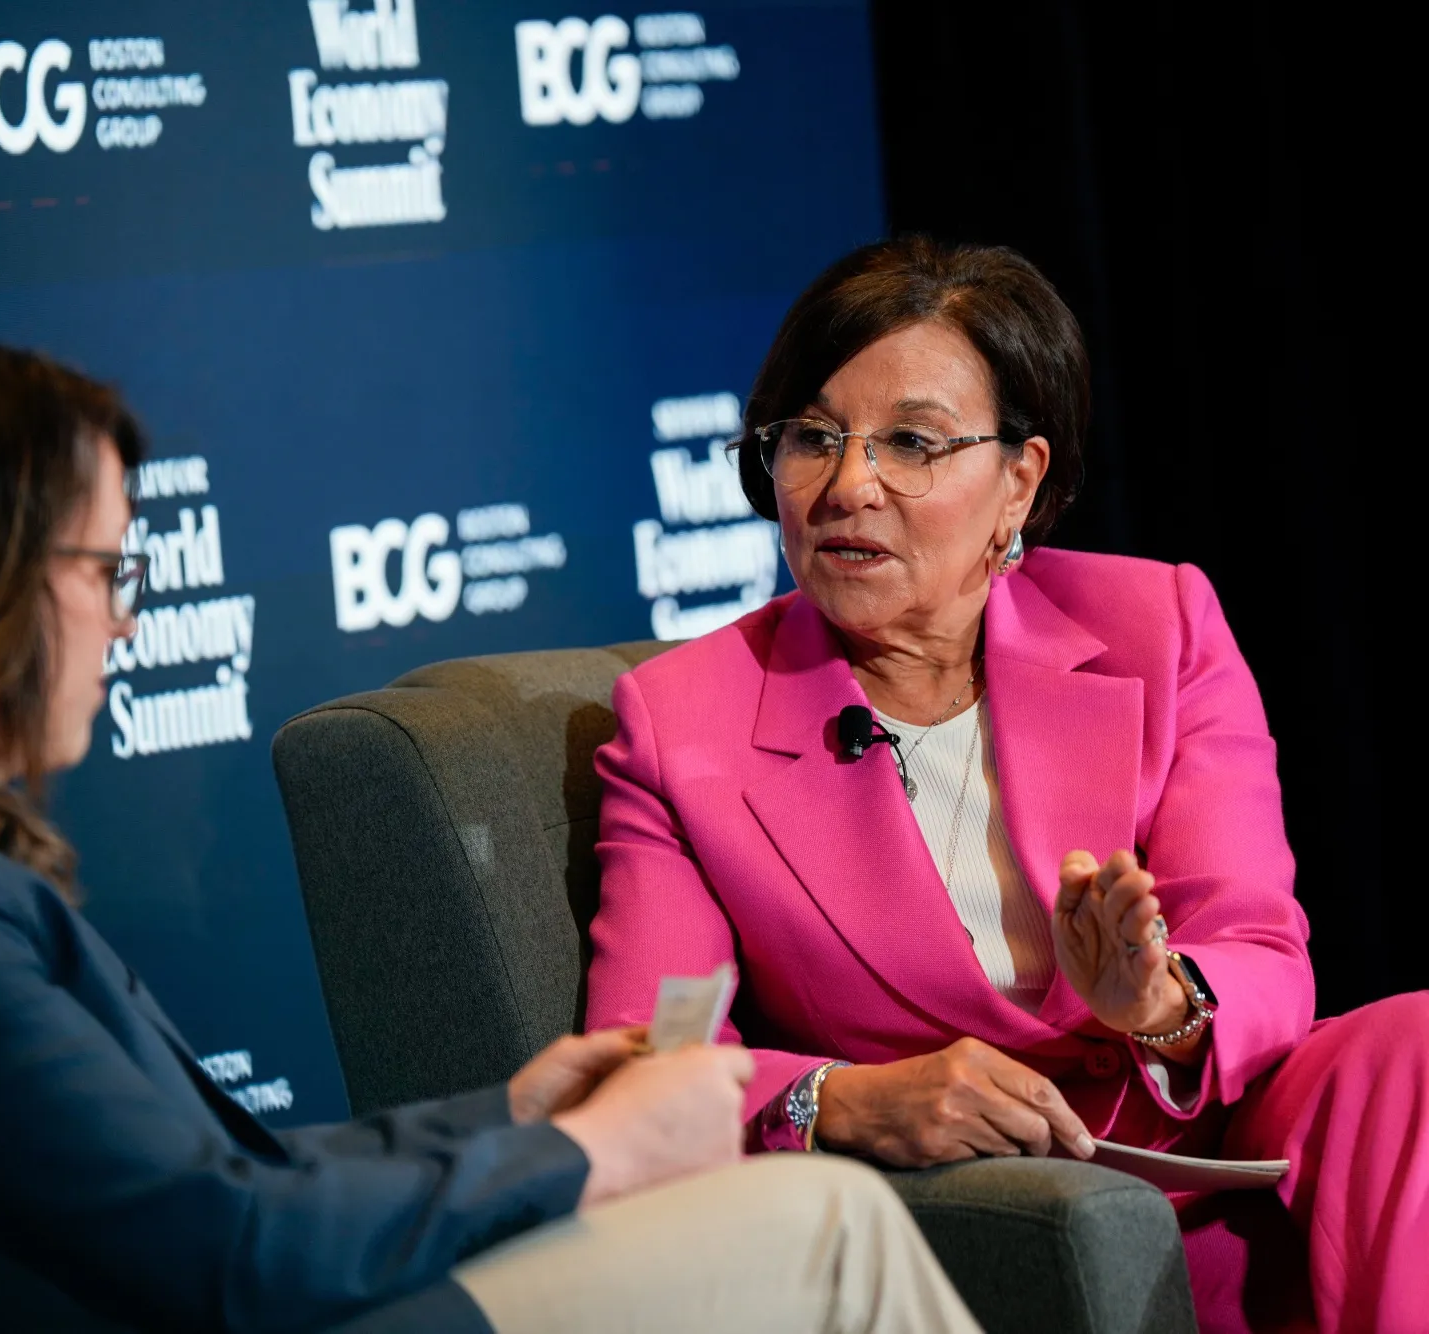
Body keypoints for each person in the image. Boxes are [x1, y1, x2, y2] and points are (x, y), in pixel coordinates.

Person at [0, 323, 981, 1333]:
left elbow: (234, 1179)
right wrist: (589, 1155)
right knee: (825, 1223)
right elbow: (228, 1247)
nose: (123, 625)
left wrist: (514, 1117)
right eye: (102, 572)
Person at [584, 236, 1426, 1334]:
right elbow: (648, 1060)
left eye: (910, 443)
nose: (847, 486)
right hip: (974, 1217)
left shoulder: (1158, 626)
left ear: (1018, 480)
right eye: (813, 438)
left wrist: (1159, 1003)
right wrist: (844, 1098)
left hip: (1223, 1162)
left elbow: (1259, 948)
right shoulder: (683, 722)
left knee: (1410, 1046)